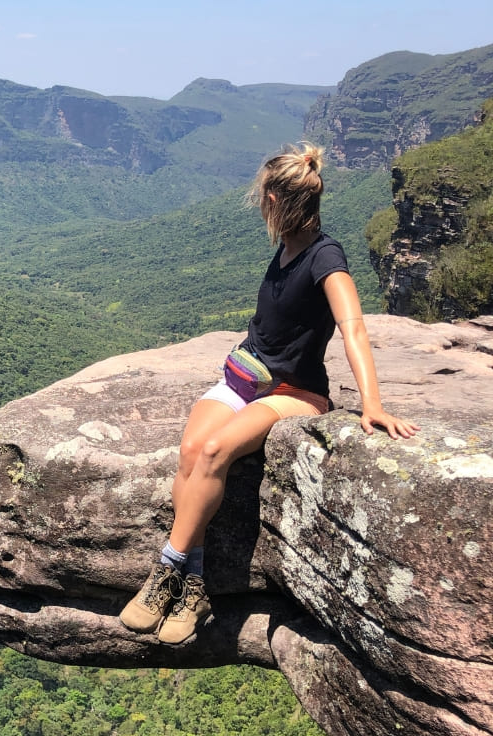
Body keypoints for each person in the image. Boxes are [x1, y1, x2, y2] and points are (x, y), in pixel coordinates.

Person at [119, 142, 420, 644]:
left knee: (216, 451)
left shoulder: (326, 256)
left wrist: (371, 403)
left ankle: (166, 571)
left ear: (275, 201)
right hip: (247, 376)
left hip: (296, 391)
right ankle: (194, 587)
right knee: (191, 449)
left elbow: (354, 328)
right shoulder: (286, 249)